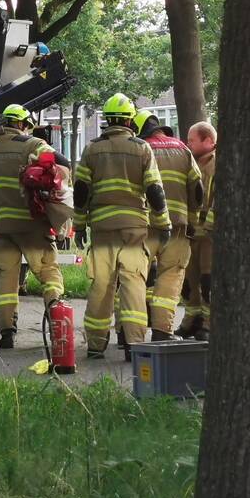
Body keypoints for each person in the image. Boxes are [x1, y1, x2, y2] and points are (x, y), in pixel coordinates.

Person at [0, 104, 68, 349]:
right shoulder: (32, 145)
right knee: (49, 273)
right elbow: (60, 160)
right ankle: (57, 318)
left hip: (5, 228)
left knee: (6, 282)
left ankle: (7, 334)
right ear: (21, 124)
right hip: (32, 226)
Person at [74, 93, 171, 360]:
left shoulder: (92, 148)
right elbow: (154, 190)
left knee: (101, 286)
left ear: (107, 121)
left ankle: (95, 345)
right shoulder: (142, 148)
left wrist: (79, 225)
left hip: (103, 230)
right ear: (130, 121)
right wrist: (163, 225)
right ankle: (133, 345)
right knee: (133, 285)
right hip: (134, 231)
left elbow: (81, 190)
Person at [132, 110, 204, 341]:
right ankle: (162, 332)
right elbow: (197, 189)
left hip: (143, 227)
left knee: (134, 277)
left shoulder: (139, 149)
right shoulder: (183, 149)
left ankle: (129, 334)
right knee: (170, 278)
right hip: (177, 229)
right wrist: (193, 219)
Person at [177, 121, 217, 340]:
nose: (188, 143)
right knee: (189, 280)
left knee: (207, 280)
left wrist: (210, 225)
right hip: (192, 232)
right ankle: (192, 320)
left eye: (192, 140)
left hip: (209, 235)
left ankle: (209, 325)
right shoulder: (190, 162)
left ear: (208, 141)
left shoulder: (217, 163)